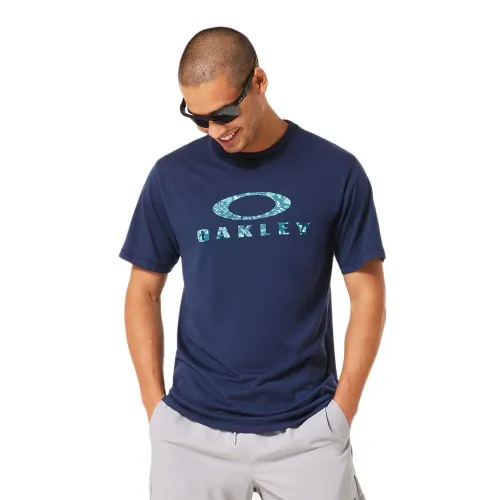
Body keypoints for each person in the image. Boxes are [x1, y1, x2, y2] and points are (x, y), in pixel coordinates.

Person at [119, 26, 386, 500]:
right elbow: (143, 290)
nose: (215, 130)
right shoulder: (171, 177)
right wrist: (155, 409)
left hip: (307, 431)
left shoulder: (335, 170)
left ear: (259, 82)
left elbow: (367, 293)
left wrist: (342, 410)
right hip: (191, 435)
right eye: (199, 119)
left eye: (224, 113)